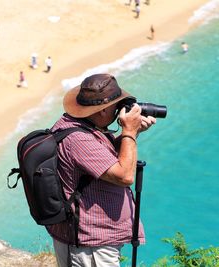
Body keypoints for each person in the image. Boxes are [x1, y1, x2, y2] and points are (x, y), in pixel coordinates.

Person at [47, 73, 156, 267]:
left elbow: (100, 157)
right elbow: (125, 176)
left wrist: (131, 134)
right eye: (116, 107)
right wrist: (129, 132)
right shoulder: (78, 139)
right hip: (90, 245)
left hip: (89, 240)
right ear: (103, 110)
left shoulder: (79, 126)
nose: (118, 111)